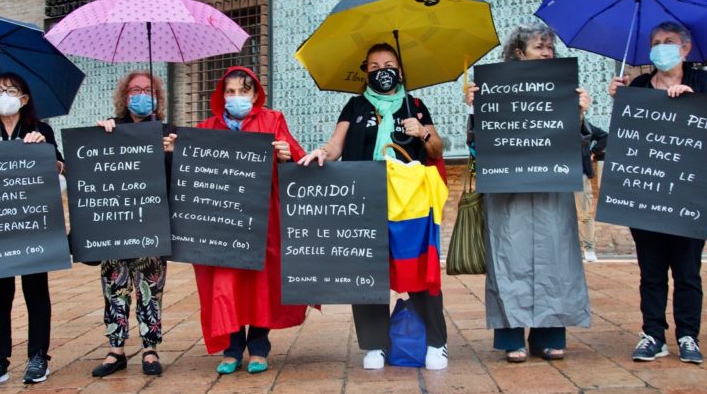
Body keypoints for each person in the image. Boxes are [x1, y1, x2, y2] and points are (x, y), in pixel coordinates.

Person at [299, 42, 449, 371]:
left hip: (410, 203)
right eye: (375, 66)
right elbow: (336, 147)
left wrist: (423, 133)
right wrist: (322, 153)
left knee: (418, 269)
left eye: (389, 65)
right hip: (364, 197)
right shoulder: (355, 106)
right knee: (367, 271)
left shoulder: (416, 105)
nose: (383, 71)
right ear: (366, 72)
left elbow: (437, 150)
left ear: (400, 70)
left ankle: (436, 342)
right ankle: (375, 345)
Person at [465, 24, 591, 362]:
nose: (547, 53)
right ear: (519, 53)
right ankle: (511, 338)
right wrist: (475, 108)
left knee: (555, 257)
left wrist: (579, 114)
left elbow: (579, 144)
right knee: (509, 258)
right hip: (508, 191)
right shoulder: (495, 88)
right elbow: (476, 144)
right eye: (539, 47)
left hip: (551, 190)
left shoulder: (564, 88)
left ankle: (548, 335)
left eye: (550, 47)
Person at [607, 21, 707, 364]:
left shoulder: (702, 81)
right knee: (651, 272)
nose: (661, 48)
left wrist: (693, 102)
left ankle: (688, 336)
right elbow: (627, 138)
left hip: (688, 196)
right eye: (655, 42)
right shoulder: (639, 85)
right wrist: (619, 101)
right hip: (646, 194)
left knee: (687, 271)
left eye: (668, 41)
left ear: (685, 48)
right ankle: (653, 335)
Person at [188, 66, 309, 375]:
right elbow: (190, 169)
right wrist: (175, 149)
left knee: (260, 284)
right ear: (222, 96)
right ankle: (231, 349)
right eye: (230, 92)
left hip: (262, 220)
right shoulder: (207, 128)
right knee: (225, 284)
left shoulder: (273, 120)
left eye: (244, 91)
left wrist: (286, 155)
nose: (237, 97)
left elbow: (299, 158)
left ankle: (258, 348)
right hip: (222, 223)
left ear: (256, 95)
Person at [0, 72, 64, 390]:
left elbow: (60, 168)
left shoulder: (40, 129)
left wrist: (44, 150)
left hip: (33, 224)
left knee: (36, 290)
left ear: (23, 99)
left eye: (10, 90)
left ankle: (38, 356)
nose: (3, 96)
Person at [91, 71, 177, 377]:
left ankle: (150, 348)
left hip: (152, 223)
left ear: (158, 96)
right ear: (125, 96)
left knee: (150, 287)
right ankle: (116, 349)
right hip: (116, 223)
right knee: (115, 286)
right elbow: (93, 168)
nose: (142, 95)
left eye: (148, 90)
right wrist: (100, 136)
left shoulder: (168, 132)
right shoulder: (111, 129)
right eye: (135, 89)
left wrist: (172, 153)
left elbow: (179, 181)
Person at [577, 119, 608, 262]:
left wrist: (592, 152)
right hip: (558, 174)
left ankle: (589, 248)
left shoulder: (585, 125)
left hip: (580, 172)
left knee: (585, 213)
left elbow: (604, 136)